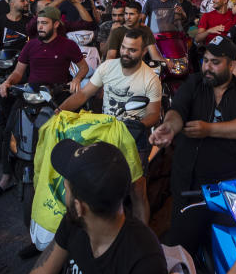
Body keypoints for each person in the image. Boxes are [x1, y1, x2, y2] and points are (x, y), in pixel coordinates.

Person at [149, 36, 236, 257]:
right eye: (205, 61)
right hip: (192, 187)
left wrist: (208, 129)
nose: (207, 67)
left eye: (215, 62)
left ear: (231, 64)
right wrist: (168, 128)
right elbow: (178, 111)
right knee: (179, 252)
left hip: (234, 188)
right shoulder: (193, 83)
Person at [18, 140, 168, 274]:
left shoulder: (145, 267)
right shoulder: (74, 222)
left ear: (79, 207)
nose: (65, 192)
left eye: (66, 187)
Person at [57, 30, 160, 223]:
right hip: (106, 136)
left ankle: (143, 237)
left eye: (132, 50)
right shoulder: (107, 67)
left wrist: (139, 124)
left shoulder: (150, 79)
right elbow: (84, 94)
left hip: (134, 139)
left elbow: (154, 113)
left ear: (144, 51)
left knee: (137, 190)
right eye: (123, 47)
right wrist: (60, 111)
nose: (125, 53)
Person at [0, 6, 88, 200]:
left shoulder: (67, 45)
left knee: (69, 132)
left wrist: (76, 79)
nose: (40, 27)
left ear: (56, 24)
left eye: (44, 23)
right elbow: (19, 73)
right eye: (39, 23)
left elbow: (83, 67)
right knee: (10, 130)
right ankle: (6, 177)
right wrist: (8, 82)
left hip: (57, 93)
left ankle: (70, 174)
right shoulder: (30, 45)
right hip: (31, 92)